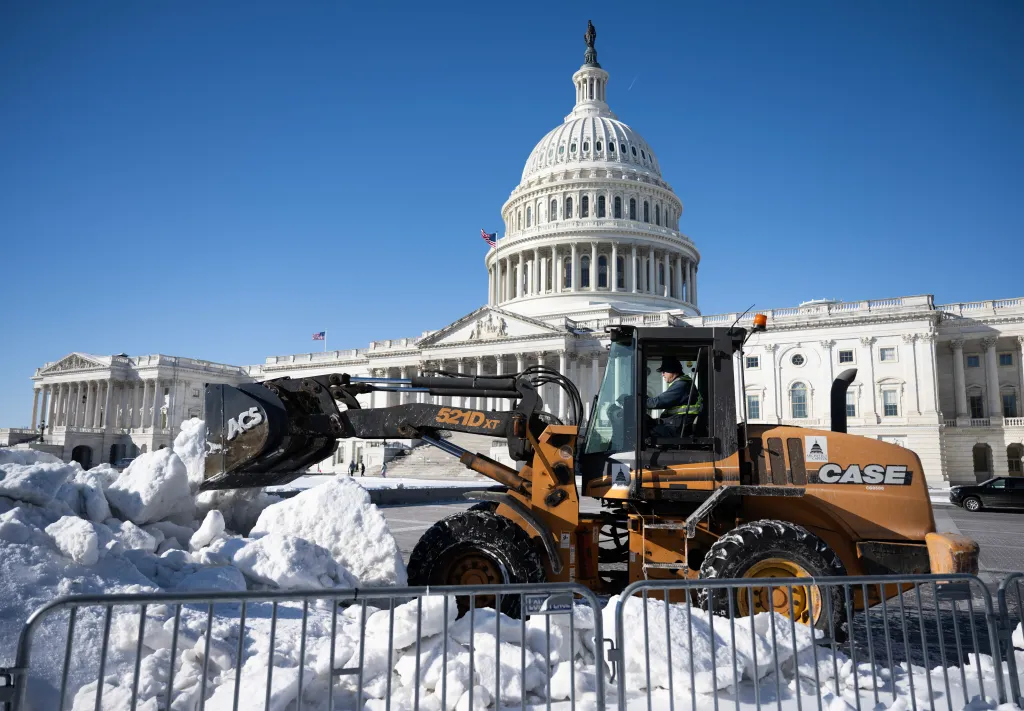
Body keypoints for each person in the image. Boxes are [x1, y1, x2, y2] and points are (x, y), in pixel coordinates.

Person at [645, 356, 702, 438]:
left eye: (664, 371)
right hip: (675, 425)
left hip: (677, 429)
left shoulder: (681, 385)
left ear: (673, 371)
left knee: (641, 429)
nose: (662, 374)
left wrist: (640, 400)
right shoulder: (681, 384)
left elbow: (657, 402)